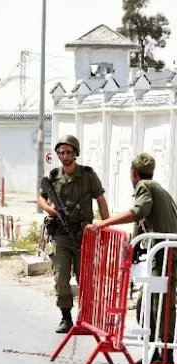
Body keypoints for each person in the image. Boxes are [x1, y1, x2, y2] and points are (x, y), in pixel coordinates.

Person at [91, 153, 176, 364]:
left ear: (133, 173)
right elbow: (143, 219)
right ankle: (156, 351)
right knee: (148, 302)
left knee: (160, 303)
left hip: (166, 254)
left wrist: (104, 223)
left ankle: (164, 355)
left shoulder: (144, 187)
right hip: (163, 253)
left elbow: (138, 212)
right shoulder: (157, 188)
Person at [37, 134, 110, 333]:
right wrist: (50, 210)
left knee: (84, 278)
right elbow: (41, 198)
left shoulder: (87, 175)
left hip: (83, 234)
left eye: (69, 152)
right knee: (61, 277)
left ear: (76, 153)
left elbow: (101, 200)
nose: (65, 155)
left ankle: (85, 317)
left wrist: (105, 226)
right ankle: (66, 318)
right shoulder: (53, 176)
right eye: (62, 152)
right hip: (61, 234)